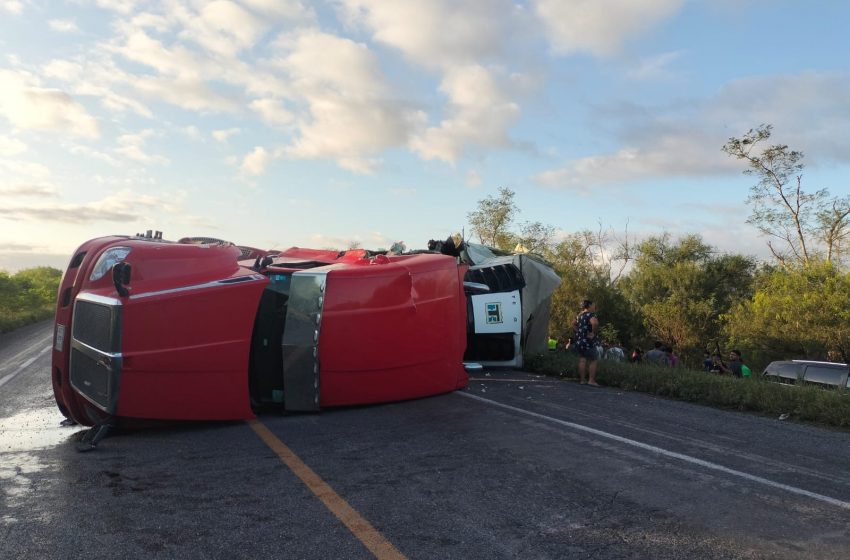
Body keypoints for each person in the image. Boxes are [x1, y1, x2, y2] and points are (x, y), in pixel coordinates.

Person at [574, 299, 600, 386]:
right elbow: (595, 323)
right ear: (589, 306)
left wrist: (578, 332)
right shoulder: (590, 314)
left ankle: (582, 380)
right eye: (593, 305)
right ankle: (591, 381)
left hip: (580, 340)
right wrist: (593, 332)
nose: (594, 306)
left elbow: (573, 323)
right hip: (588, 341)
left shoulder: (580, 315)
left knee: (582, 360)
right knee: (594, 360)